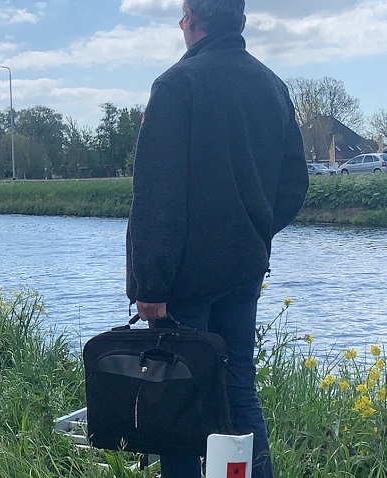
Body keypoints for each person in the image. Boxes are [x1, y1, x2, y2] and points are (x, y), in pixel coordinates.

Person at [125, 1, 308, 477]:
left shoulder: (176, 85)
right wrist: (255, 231)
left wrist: (150, 283)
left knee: (177, 394)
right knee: (238, 389)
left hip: (183, 277)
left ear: (189, 21)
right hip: (243, 268)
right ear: (241, 22)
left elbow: (157, 195)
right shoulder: (273, 86)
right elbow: (294, 185)